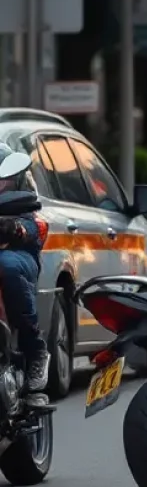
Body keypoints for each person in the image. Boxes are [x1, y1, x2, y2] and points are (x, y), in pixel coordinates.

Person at [0, 149, 50, 407]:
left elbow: (34, 228)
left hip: (18, 256)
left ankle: (34, 348)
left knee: (5, 265)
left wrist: (13, 228)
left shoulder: (21, 202)